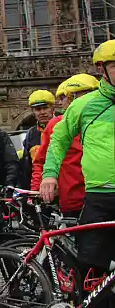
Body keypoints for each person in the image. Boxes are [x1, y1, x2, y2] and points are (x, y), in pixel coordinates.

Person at [41, 40, 115, 308]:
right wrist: (49, 175)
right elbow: (58, 141)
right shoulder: (84, 106)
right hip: (99, 197)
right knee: (91, 271)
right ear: (102, 70)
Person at [31, 74, 98, 217]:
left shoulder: (104, 121)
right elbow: (41, 161)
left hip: (102, 196)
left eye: (63, 98)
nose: (61, 103)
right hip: (72, 199)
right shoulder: (56, 125)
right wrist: (36, 190)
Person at [20, 90, 56, 189]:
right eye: (38, 109)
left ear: (53, 108)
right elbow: (27, 167)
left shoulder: (62, 127)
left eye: (45, 108)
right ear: (33, 112)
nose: (42, 112)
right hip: (37, 189)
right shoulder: (31, 134)